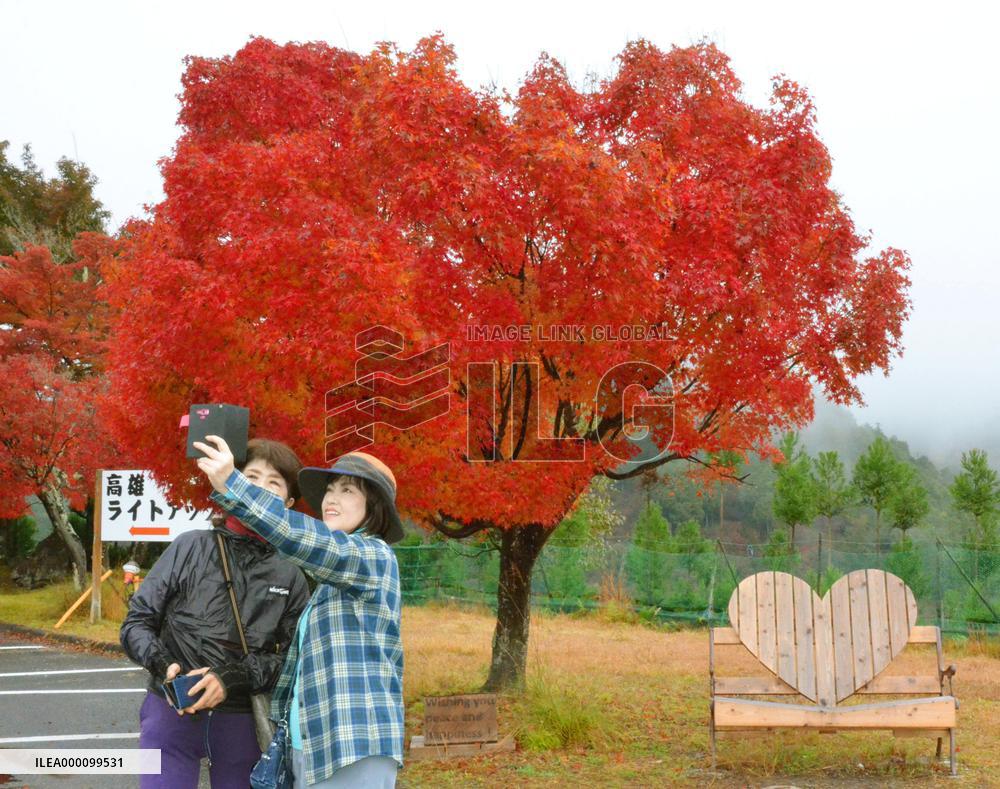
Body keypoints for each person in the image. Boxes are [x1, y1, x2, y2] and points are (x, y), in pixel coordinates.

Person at [193, 435, 405, 788]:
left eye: (348, 491)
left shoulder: (373, 557)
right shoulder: (330, 583)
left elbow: (302, 538)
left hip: (354, 744)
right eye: (331, 490)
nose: (332, 499)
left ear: (375, 507)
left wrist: (235, 483)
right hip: (316, 746)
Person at [120, 438, 310, 789]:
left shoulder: (292, 573)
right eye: (250, 476)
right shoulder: (190, 545)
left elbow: (294, 660)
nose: (259, 489)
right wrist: (164, 664)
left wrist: (232, 677)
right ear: (230, 482)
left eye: (274, 482)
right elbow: (137, 622)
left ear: (288, 502)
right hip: (171, 710)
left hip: (242, 723)